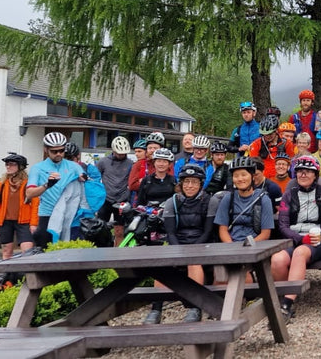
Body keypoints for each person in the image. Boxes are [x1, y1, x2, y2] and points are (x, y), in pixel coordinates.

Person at [147, 164, 220, 324]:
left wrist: (190, 251)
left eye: (194, 182)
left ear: (201, 183)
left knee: (193, 263)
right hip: (177, 243)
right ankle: (156, 308)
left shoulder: (210, 201)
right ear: (181, 183)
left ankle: (195, 307)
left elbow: (208, 232)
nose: (190, 186)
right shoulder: (172, 202)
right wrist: (180, 251)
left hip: (201, 244)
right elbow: (170, 232)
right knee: (162, 266)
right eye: (186, 181)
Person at [271, 156, 321, 320]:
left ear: (315, 175)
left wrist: (320, 231)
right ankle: (284, 297)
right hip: (294, 237)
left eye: (308, 172)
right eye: (300, 172)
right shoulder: (289, 195)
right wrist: (298, 238)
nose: (303, 175)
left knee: (300, 254)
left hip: (317, 239)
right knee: (276, 260)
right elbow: (282, 225)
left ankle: (286, 305)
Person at [27, 132, 85, 248]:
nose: (59, 154)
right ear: (45, 150)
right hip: (47, 214)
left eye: (62, 151)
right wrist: (47, 185)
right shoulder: (38, 168)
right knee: (45, 251)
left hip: (70, 214)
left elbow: (86, 187)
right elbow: (29, 194)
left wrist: (85, 179)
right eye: (54, 151)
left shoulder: (74, 166)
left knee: (70, 253)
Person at [216, 157, 275, 252]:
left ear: (252, 176)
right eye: (236, 176)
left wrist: (246, 248)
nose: (240, 179)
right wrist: (231, 246)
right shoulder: (228, 198)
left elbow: (265, 233)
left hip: (255, 246)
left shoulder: (263, 199)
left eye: (244, 175)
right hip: (231, 245)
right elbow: (223, 229)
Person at [0, 153, 36, 259]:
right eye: (7, 164)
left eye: (11, 164)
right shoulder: (1, 185)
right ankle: (7, 274)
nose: (8, 166)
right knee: (7, 251)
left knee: (27, 250)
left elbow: (35, 205)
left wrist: (34, 223)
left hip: (24, 221)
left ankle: (27, 275)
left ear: (20, 166)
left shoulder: (28, 184)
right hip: (5, 221)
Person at [96, 136, 134, 246]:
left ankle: (118, 254)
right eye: (119, 153)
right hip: (105, 200)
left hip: (121, 201)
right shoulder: (103, 162)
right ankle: (101, 252)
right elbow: (95, 178)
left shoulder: (130, 163)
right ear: (113, 150)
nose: (121, 155)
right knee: (101, 229)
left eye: (123, 153)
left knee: (119, 231)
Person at [248, 115, 297, 179]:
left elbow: (291, 163)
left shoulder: (287, 144)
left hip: (281, 178)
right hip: (263, 179)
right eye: (264, 134)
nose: (267, 136)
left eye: (270, 134)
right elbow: (253, 164)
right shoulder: (256, 144)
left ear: (276, 131)